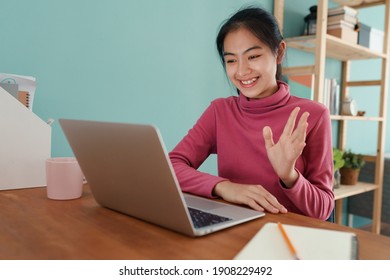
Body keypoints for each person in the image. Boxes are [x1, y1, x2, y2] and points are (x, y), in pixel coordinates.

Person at [168, 6, 334, 220]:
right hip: (233, 229)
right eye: (231, 60)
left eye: (253, 56)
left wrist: (290, 176)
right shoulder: (220, 111)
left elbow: (323, 210)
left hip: (288, 236)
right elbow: (172, 166)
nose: (241, 71)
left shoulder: (313, 115)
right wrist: (224, 187)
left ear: (279, 52)